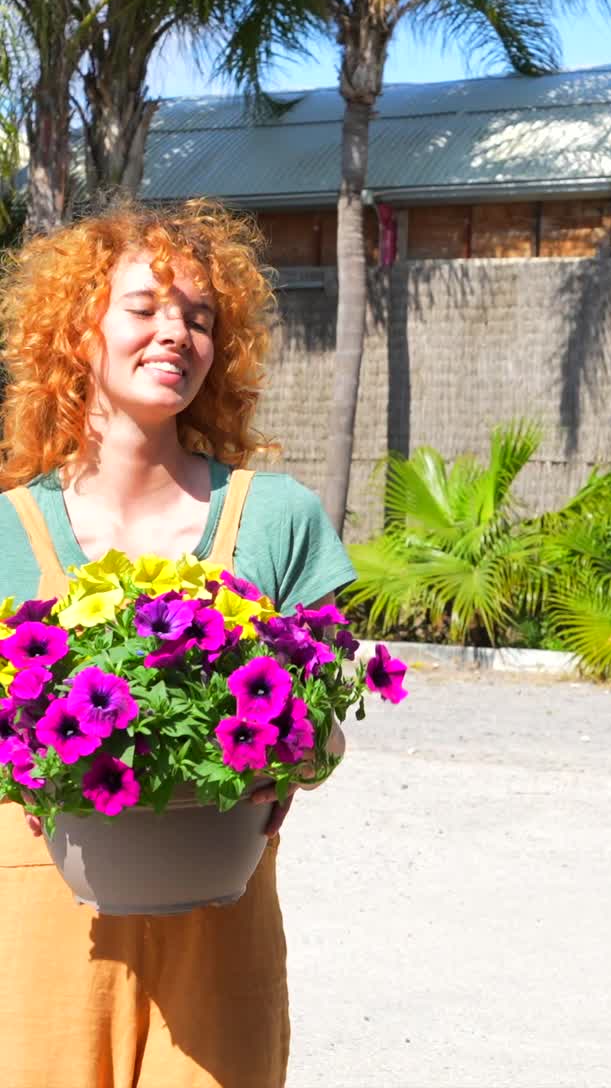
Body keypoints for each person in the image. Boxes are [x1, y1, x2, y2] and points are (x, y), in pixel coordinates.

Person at [0, 202, 355, 1088]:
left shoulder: (274, 518)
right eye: (146, 308)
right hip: (37, 927)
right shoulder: (6, 530)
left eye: (200, 318)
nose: (177, 334)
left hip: (220, 921)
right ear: (78, 328)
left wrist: (296, 757)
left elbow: (327, 717)